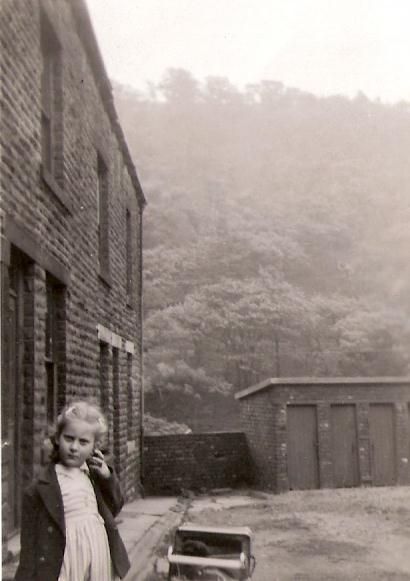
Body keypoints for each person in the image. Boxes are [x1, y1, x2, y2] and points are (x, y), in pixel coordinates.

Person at [14, 400, 130, 581]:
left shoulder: (93, 476)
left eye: (83, 442)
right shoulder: (40, 488)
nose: (74, 447)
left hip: (98, 552)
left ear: (94, 446)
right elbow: (29, 548)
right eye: (69, 438)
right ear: (57, 438)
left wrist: (107, 477)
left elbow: (115, 506)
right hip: (65, 557)